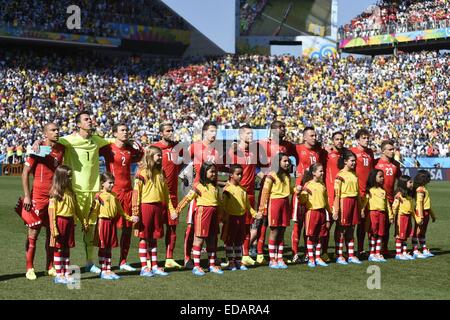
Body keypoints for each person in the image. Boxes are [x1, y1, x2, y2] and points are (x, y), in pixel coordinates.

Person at [56, 110, 113, 273]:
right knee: (68, 227)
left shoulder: (97, 140)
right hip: (75, 190)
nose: (90, 121)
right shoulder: (68, 140)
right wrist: (38, 142)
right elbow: (51, 140)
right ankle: (62, 264)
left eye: (91, 119)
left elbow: (114, 141)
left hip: (93, 190)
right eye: (86, 119)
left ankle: (89, 262)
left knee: (91, 228)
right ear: (78, 124)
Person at [21, 123, 65, 280]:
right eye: (53, 130)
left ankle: (50, 266)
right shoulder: (37, 149)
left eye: (57, 129)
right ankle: (29, 267)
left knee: (52, 232)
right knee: (33, 232)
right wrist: (27, 196)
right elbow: (25, 173)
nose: (57, 131)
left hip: (54, 197)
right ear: (45, 134)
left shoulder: (61, 149)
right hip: (38, 197)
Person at [100, 123, 144, 271]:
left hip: (128, 192)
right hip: (113, 193)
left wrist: (136, 143)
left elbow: (142, 155)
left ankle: (123, 261)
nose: (125, 132)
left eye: (127, 130)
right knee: (110, 228)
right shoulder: (108, 148)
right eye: (122, 130)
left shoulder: (130, 150)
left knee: (127, 227)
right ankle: (106, 261)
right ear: (114, 133)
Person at [255, 120, 298, 265]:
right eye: (280, 128)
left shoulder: (287, 146)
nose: (283, 130)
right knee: (263, 221)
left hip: (282, 188)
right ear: (272, 130)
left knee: (279, 225)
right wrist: (262, 176)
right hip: (268, 187)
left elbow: (299, 154)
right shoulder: (263, 144)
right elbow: (254, 164)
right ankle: (259, 251)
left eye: (284, 127)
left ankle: (276, 255)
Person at [184, 121, 223, 269]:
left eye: (216, 131)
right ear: (204, 132)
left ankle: (211, 260)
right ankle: (187, 258)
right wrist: (185, 177)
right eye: (212, 131)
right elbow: (181, 161)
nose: (214, 134)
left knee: (213, 229)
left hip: (211, 194)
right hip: (198, 192)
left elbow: (215, 173)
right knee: (191, 226)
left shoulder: (216, 151)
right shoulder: (195, 146)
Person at [132, 146, 176, 277]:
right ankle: (144, 267)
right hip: (145, 207)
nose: (161, 157)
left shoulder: (161, 172)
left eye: (161, 155)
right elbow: (136, 194)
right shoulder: (142, 173)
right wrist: (135, 212)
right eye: (158, 155)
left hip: (158, 207)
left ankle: (155, 265)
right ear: (150, 156)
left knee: (154, 237)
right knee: (144, 237)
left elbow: (166, 194)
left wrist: (171, 209)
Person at [174, 162, 224, 276]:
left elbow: (219, 203)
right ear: (204, 172)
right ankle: (196, 266)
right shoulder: (198, 186)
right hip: (202, 214)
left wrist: (221, 216)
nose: (214, 174)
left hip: (214, 215)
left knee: (212, 240)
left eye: (215, 172)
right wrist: (177, 211)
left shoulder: (215, 187)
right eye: (211, 171)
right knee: (199, 240)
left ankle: (211, 265)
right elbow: (187, 199)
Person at [88, 172, 139, 280]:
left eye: (113, 183)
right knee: (103, 247)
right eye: (110, 183)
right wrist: (87, 222)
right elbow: (93, 211)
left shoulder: (114, 196)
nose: (112, 185)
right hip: (103, 223)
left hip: (112, 224)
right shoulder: (99, 196)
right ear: (102, 183)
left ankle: (108, 269)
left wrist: (130, 218)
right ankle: (103, 270)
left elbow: (121, 211)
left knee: (109, 248)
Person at [227, 124, 264, 266]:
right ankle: (231, 257)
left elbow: (256, 170)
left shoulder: (254, 152)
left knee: (248, 226)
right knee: (234, 226)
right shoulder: (235, 152)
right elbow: (230, 171)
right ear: (241, 135)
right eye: (248, 134)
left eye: (252, 134)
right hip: (237, 195)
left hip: (250, 194)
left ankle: (245, 254)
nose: (251, 136)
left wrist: (266, 178)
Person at [291, 126, 326, 263]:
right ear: (304, 137)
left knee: (310, 223)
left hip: (314, 191)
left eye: (315, 135)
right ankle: (294, 253)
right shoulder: (297, 148)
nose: (314, 138)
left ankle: (308, 252)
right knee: (298, 223)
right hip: (301, 191)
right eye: (311, 135)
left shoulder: (319, 151)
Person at [151, 123, 183, 269]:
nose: (170, 133)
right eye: (167, 131)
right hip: (158, 195)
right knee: (155, 228)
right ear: (161, 133)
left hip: (173, 194)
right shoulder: (155, 148)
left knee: (172, 227)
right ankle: (153, 260)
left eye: (172, 130)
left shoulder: (178, 148)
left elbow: (184, 162)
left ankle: (169, 258)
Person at [48, 165, 86, 284]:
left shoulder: (71, 192)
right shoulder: (56, 193)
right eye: (68, 176)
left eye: (71, 176)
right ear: (61, 177)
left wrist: (83, 221)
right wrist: (54, 228)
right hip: (60, 223)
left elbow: (77, 209)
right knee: (59, 249)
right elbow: (52, 213)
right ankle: (59, 274)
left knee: (67, 248)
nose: (70, 179)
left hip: (70, 223)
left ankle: (67, 272)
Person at [221, 164, 261, 271]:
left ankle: (238, 262)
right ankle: (231, 263)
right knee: (230, 241)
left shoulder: (243, 189)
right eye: (238, 174)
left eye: (241, 174)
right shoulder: (227, 189)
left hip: (242, 218)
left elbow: (247, 205)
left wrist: (254, 214)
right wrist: (222, 217)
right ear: (231, 175)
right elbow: (223, 205)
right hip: (231, 219)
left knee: (239, 241)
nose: (240, 176)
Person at [333, 150, 363, 265]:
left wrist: (360, 208)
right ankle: (339, 254)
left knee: (351, 229)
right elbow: (337, 194)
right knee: (341, 229)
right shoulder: (340, 175)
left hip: (354, 202)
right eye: (352, 161)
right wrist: (336, 209)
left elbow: (357, 193)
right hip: (344, 202)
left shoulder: (354, 174)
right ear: (345, 161)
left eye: (355, 161)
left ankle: (350, 254)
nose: (354, 163)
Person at [299, 163, 332, 268]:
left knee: (320, 237)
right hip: (312, 212)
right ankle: (311, 258)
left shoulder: (322, 185)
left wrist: (329, 212)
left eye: (322, 171)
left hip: (322, 212)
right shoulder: (308, 185)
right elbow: (303, 200)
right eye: (320, 171)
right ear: (313, 173)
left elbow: (326, 201)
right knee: (311, 236)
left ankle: (317, 257)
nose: (322, 173)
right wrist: (299, 194)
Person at [350, 129, 375, 258]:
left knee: (364, 223)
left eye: (367, 138)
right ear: (358, 139)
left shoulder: (370, 152)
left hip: (367, 193)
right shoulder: (352, 151)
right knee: (352, 223)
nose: (366, 140)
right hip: (356, 192)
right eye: (364, 138)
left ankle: (360, 249)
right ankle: (348, 251)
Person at [322, 131, 346, 261]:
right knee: (326, 225)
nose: (339, 141)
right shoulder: (327, 154)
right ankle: (323, 252)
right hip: (330, 195)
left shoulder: (346, 155)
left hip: (343, 195)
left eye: (341, 139)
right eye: (337, 139)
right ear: (332, 141)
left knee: (341, 226)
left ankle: (338, 252)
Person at [375, 140, 401, 256]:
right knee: (376, 226)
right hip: (377, 199)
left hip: (390, 199)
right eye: (390, 149)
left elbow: (401, 180)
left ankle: (383, 249)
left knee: (387, 225)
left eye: (393, 149)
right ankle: (374, 249)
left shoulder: (396, 164)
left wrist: (398, 192)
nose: (392, 151)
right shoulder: (375, 163)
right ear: (383, 151)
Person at [364, 169, 392, 262]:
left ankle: (378, 252)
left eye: (383, 176)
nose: (382, 178)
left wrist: (390, 215)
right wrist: (362, 210)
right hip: (373, 213)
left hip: (382, 214)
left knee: (380, 234)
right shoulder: (370, 190)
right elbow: (365, 202)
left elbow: (387, 204)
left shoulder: (383, 191)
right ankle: (372, 253)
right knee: (373, 233)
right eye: (380, 176)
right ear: (373, 178)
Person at [392, 175, 418, 260]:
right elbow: (395, 206)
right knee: (400, 236)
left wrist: (415, 217)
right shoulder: (399, 195)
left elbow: (411, 208)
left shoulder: (409, 195)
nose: (412, 184)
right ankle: (398, 253)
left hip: (408, 217)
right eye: (410, 182)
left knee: (405, 236)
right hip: (401, 217)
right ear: (404, 183)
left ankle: (404, 252)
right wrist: (392, 216)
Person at [412, 170, 436, 258]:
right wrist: (421, 215)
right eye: (428, 177)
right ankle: (415, 250)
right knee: (417, 232)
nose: (430, 179)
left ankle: (423, 248)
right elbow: (419, 203)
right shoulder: (420, 190)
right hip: (420, 212)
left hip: (425, 212)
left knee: (422, 231)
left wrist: (432, 215)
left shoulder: (424, 188)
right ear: (424, 179)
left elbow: (427, 204)